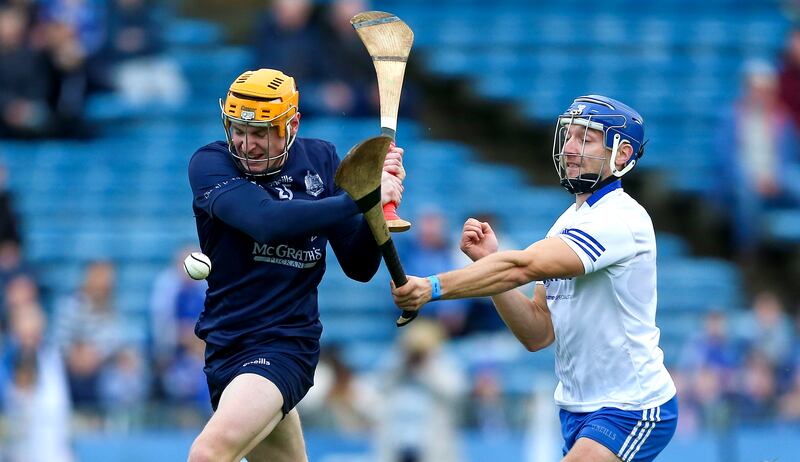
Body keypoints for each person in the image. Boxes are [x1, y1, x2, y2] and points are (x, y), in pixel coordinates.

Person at [392, 95, 678, 461]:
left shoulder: (619, 219)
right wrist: (490, 262)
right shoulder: (566, 223)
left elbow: (521, 267)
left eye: (586, 139)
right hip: (577, 410)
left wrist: (432, 288)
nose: (571, 148)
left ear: (621, 155)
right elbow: (538, 332)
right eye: (569, 136)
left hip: (631, 406)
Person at [186, 68, 405, 462]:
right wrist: (360, 198)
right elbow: (266, 222)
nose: (246, 144)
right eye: (238, 130)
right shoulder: (210, 164)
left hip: (286, 345)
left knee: (208, 454)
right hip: (226, 345)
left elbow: (359, 265)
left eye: (261, 133)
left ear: (292, 125)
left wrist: (377, 211)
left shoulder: (321, 160)